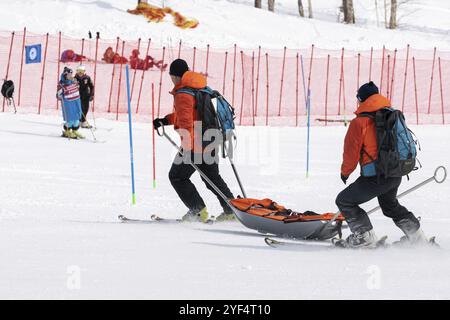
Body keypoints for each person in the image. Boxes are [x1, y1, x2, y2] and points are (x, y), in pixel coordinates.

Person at [335, 81, 428, 248]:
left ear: (361, 99)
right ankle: (417, 236)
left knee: (344, 200)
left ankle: (364, 236)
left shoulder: (360, 122)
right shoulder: (391, 114)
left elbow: (351, 151)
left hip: (375, 177)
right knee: (389, 205)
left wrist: (345, 172)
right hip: (396, 172)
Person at [153, 59, 235, 223]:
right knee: (211, 177)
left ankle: (198, 211)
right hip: (212, 138)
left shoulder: (183, 93)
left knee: (177, 176)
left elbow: (186, 122)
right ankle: (231, 211)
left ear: (174, 76)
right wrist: (165, 120)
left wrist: (189, 149)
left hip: (196, 143)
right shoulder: (201, 88)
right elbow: (190, 114)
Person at [57, 67, 83, 139]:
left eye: (71, 74)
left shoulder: (73, 81)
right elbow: (58, 95)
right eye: (69, 74)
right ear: (65, 75)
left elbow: (78, 87)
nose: (70, 76)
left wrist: (76, 83)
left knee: (77, 118)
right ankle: (67, 131)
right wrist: (61, 91)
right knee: (71, 119)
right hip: (68, 104)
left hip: (76, 102)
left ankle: (75, 130)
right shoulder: (62, 83)